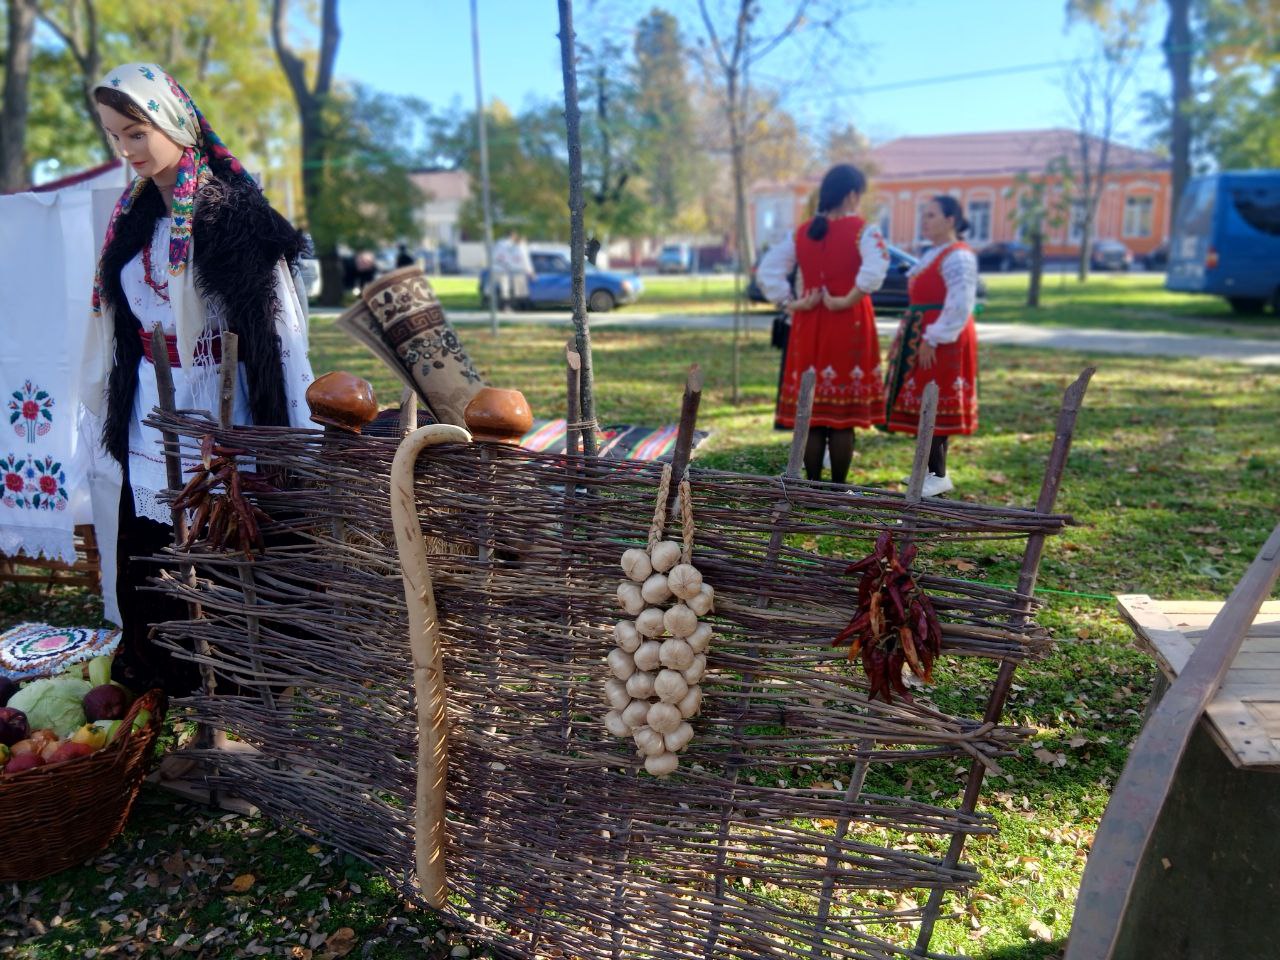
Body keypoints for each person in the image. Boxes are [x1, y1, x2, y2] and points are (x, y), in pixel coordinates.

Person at [82, 62, 315, 693]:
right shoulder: (128, 225)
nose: (126, 150)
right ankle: (175, 696)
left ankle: (240, 715)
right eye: (114, 135)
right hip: (150, 418)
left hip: (223, 410)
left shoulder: (235, 221)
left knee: (226, 554)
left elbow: (281, 339)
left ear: (173, 124)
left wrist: (290, 433)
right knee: (158, 557)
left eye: (136, 132)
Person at [757, 163, 890, 484]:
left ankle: (813, 484)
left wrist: (791, 302)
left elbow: (767, 271)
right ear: (852, 194)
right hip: (848, 323)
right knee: (842, 418)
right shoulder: (864, 231)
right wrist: (848, 298)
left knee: (813, 414)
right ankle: (837, 488)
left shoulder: (802, 233)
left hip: (808, 324)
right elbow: (876, 269)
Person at [882, 195, 980, 497]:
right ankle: (929, 470)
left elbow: (960, 304)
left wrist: (933, 338)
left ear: (951, 220)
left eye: (932, 215)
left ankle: (938, 475)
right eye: (924, 215)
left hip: (943, 339)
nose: (925, 221)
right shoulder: (934, 253)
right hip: (924, 333)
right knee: (927, 401)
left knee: (935, 403)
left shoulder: (958, 256)